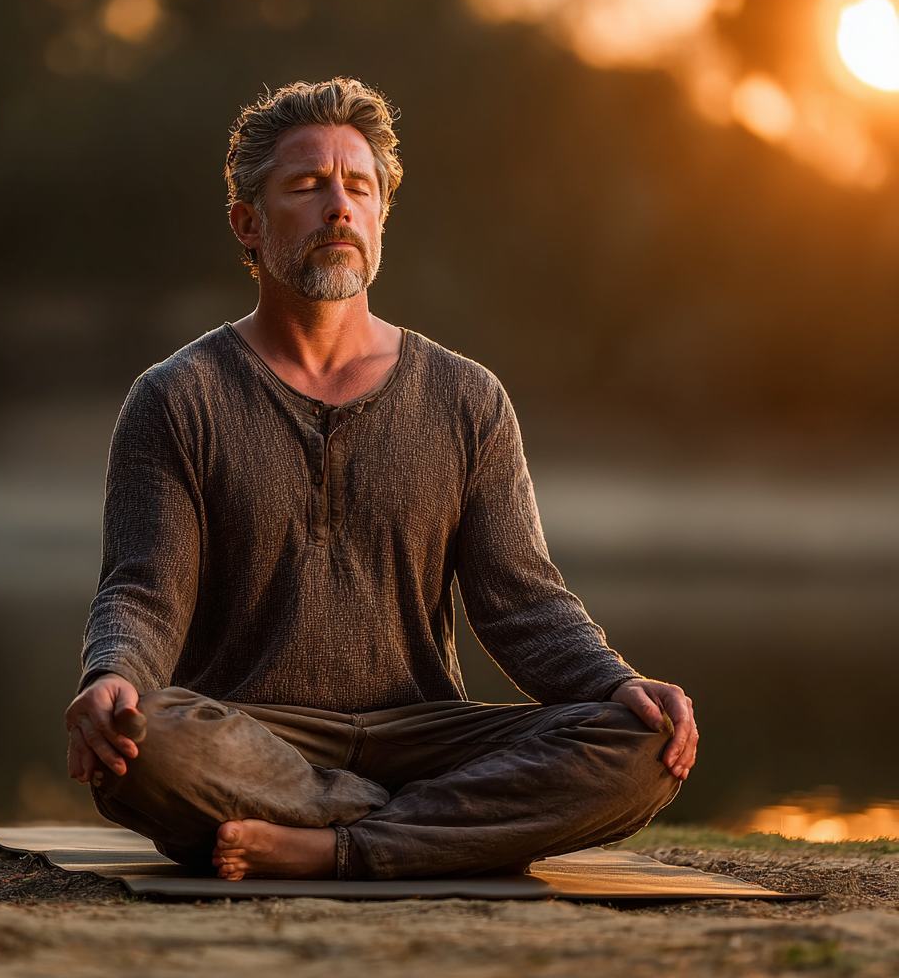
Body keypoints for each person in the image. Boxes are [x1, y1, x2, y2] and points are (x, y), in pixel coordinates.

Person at [65, 78, 698, 881]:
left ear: (380, 215)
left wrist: (618, 683)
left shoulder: (468, 398)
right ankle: (422, 830)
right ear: (247, 225)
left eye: (357, 187)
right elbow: (143, 591)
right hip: (255, 739)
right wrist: (113, 678)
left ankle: (330, 845)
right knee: (141, 744)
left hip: (430, 733)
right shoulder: (176, 398)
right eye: (306, 186)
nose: (338, 206)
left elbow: (525, 604)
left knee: (641, 746)